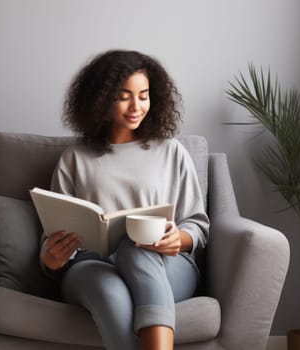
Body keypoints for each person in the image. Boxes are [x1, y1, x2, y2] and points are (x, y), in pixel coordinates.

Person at [40, 50, 209, 350]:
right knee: (111, 292)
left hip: (165, 262)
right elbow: (52, 232)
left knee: (134, 247)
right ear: (100, 100)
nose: (137, 106)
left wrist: (178, 239)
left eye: (144, 96)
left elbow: (197, 223)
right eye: (124, 96)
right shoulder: (75, 158)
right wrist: (52, 258)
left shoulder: (172, 152)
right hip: (91, 265)